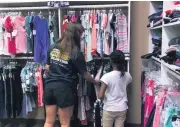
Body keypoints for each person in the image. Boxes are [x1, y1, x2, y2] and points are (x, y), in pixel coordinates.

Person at [43, 23, 99, 127]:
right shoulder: (76, 53)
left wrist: (57, 68)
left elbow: (47, 66)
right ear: (76, 35)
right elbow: (85, 74)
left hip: (49, 86)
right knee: (64, 124)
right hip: (64, 88)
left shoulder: (53, 47)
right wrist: (95, 81)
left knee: (49, 122)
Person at [98, 50, 132, 127]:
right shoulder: (128, 75)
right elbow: (127, 90)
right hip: (122, 108)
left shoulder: (106, 77)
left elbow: (100, 96)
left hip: (109, 108)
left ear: (111, 61)